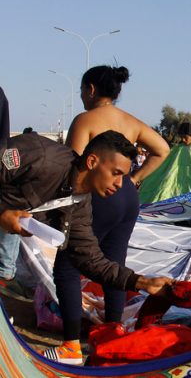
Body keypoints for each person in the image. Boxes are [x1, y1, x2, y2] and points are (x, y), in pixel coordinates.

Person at [0, 131, 172, 364]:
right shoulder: (40, 157)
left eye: (125, 176)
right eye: (116, 174)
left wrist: (143, 282)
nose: (120, 184)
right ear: (92, 162)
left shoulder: (80, 204)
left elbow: (89, 258)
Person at [63, 65, 170, 360]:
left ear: (91, 90)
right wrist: (135, 179)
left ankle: (71, 343)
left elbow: (74, 165)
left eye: (82, 91)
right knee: (115, 263)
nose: (82, 96)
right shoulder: (132, 122)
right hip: (126, 195)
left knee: (68, 263)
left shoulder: (85, 120)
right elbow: (162, 149)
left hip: (99, 193)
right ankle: (112, 334)